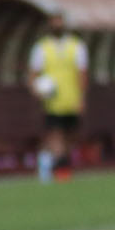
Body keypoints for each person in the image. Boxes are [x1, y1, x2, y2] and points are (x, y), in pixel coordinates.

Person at [27, 12, 88, 181]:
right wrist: (36, 89)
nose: (57, 26)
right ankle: (58, 168)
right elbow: (33, 75)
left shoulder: (76, 46)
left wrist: (81, 97)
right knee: (55, 134)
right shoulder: (41, 48)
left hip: (71, 99)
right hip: (52, 100)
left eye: (59, 22)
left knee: (70, 135)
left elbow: (82, 74)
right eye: (54, 22)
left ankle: (61, 164)